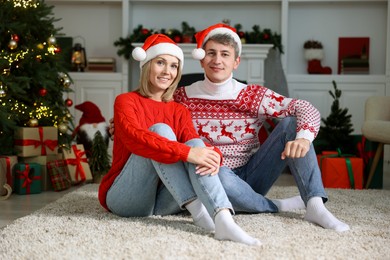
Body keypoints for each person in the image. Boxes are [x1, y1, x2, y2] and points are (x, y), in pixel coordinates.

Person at [109, 24, 350, 232]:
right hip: (212, 173)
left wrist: (305, 138)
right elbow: (150, 115)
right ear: (201, 58)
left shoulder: (253, 94)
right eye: (211, 53)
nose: (217, 60)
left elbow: (305, 108)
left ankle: (315, 205)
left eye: (225, 54)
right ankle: (273, 205)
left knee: (293, 122)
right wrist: (119, 126)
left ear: (236, 62)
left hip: (253, 174)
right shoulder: (181, 97)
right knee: (211, 168)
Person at [98, 34, 261, 246]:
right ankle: (199, 212)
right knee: (161, 131)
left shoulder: (178, 110)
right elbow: (134, 138)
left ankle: (223, 218)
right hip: (127, 198)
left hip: (167, 200)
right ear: (147, 64)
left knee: (195, 145)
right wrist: (187, 153)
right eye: (160, 62)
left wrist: (213, 156)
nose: (168, 71)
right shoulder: (126, 101)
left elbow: (194, 143)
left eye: (174, 66)